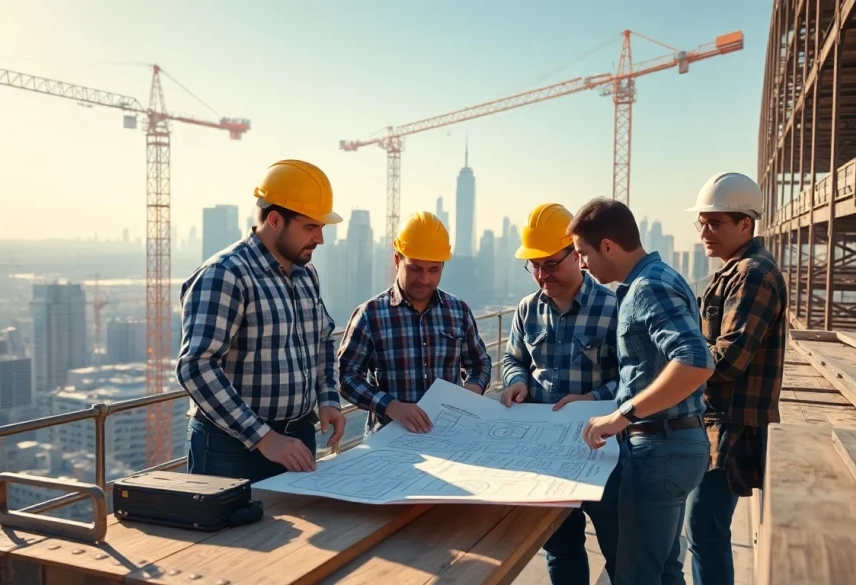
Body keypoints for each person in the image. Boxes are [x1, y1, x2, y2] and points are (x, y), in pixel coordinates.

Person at [570, 198, 714, 585]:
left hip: (659, 449)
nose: (581, 264)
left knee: (636, 575)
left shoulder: (647, 288)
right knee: (664, 569)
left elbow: (696, 360)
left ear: (608, 246)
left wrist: (622, 415)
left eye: (583, 253)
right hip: (675, 443)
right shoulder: (661, 276)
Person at [177, 159, 346, 482]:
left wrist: (328, 399)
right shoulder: (225, 274)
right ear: (275, 220)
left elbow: (322, 338)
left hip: (297, 441)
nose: (320, 239)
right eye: (310, 227)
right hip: (232, 450)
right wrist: (264, 438)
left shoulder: (305, 274)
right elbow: (195, 366)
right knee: (237, 520)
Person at [500, 202, 621, 584]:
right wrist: (516, 380)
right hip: (547, 456)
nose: (542, 274)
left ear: (576, 255)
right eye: (534, 266)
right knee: (561, 552)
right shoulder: (526, 310)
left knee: (621, 551)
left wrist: (594, 398)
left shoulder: (613, 308)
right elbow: (513, 358)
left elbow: (634, 378)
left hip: (603, 454)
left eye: (551, 264)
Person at [683, 173, 786, 585]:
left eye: (715, 223)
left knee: (705, 528)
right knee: (704, 530)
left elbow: (728, 359)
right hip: (720, 420)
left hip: (732, 425)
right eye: (702, 223)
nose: (704, 233)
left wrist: (676, 361)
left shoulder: (752, 274)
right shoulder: (736, 270)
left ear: (746, 224)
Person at [338, 211, 492, 436]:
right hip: (389, 438)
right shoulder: (370, 315)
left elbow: (479, 363)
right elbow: (346, 377)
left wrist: (473, 390)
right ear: (397, 260)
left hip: (449, 434)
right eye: (415, 268)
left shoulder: (458, 312)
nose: (424, 279)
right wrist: (391, 406)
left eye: (433, 270)